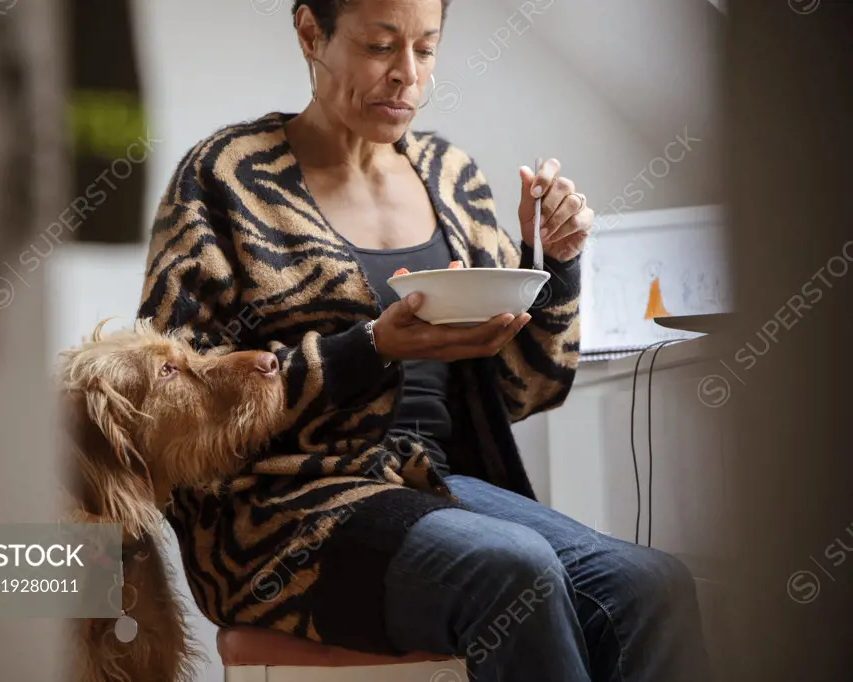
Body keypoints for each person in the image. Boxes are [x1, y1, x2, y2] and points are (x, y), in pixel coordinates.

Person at [137, 1, 712, 680]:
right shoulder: (223, 179)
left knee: (651, 585)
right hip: (279, 515)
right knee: (515, 571)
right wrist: (370, 346)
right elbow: (171, 408)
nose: (406, 74)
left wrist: (556, 263)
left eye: (426, 49)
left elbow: (529, 390)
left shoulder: (451, 176)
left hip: (435, 485)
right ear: (310, 33)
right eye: (381, 46)